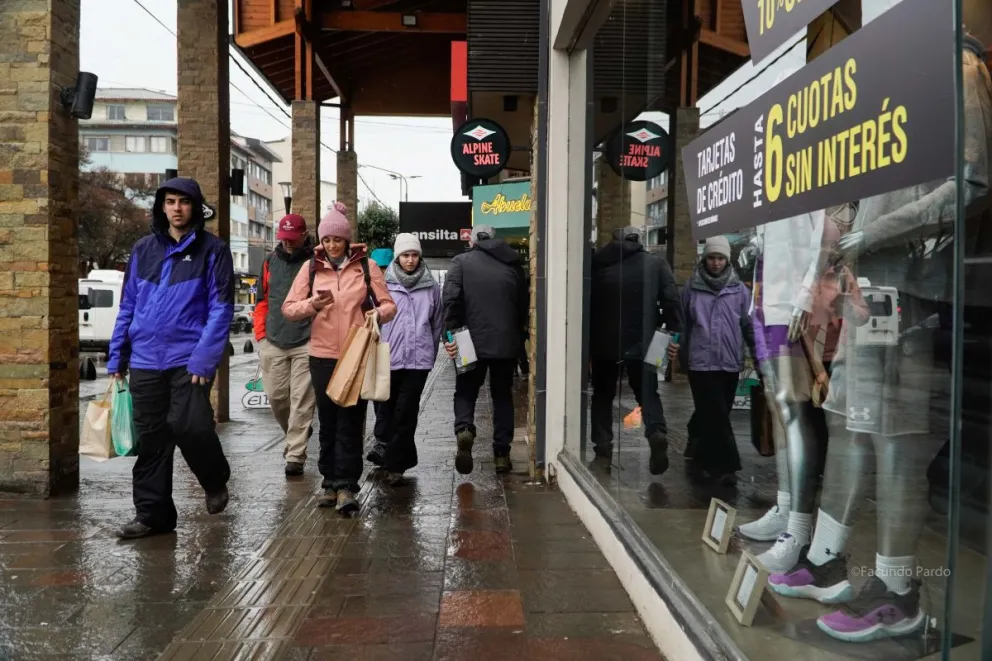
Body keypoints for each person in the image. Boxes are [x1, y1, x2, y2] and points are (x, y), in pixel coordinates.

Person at [107, 177, 234, 540]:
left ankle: (213, 479)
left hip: (188, 359)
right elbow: (128, 305)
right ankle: (152, 515)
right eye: (170, 201)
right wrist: (117, 358)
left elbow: (221, 307)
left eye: (184, 202)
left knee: (190, 425)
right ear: (161, 207)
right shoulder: (143, 249)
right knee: (152, 441)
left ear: (196, 207)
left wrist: (204, 359)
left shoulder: (214, 250)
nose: (177, 208)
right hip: (146, 360)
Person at [282, 203, 396, 514]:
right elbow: (289, 309)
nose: (332, 245)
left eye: (338, 239)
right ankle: (328, 482)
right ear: (321, 240)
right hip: (320, 355)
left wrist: (376, 313)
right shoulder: (310, 268)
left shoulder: (366, 266)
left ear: (347, 240)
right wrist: (312, 305)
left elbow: (389, 305)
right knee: (327, 421)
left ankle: (347, 485)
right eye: (327, 240)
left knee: (351, 420)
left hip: (355, 353)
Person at [588, 227, 682, 475]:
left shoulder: (597, 263)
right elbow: (672, 300)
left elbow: (586, 301)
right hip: (645, 342)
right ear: (640, 242)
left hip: (603, 343)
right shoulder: (656, 264)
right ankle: (656, 432)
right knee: (648, 393)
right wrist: (673, 334)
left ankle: (603, 450)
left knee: (602, 396)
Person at [443, 224, 528, 475]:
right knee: (502, 396)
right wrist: (516, 335)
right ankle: (502, 454)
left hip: (466, 341)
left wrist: (450, 337)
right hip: (505, 342)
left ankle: (465, 429)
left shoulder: (461, 262)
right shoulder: (513, 265)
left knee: (466, 392)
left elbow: (450, 302)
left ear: (473, 241)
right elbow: (522, 306)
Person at [675, 235, 755, 485]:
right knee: (716, 413)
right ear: (704, 258)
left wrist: (759, 356)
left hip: (729, 360)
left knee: (716, 412)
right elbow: (683, 323)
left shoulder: (740, 290)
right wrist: (679, 354)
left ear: (727, 259)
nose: (716, 263)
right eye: (712, 257)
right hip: (699, 361)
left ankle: (699, 449)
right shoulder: (691, 288)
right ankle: (726, 466)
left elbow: (748, 325)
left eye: (720, 258)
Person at [376, 233, 443, 484]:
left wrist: (431, 351)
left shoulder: (431, 286)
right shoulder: (383, 284)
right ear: (397, 257)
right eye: (406, 255)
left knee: (407, 411)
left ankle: (395, 465)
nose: (411, 260)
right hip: (390, 357)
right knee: (390, 409)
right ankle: (398, 458)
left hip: (419, 359)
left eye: (415, 255)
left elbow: (437, 323)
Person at [254, 213, 317, 477]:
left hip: (307, 340)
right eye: (284, 239)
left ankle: (295, 454)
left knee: (301, 400)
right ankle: (297, 431)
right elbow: (261, 300)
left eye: (293, 239)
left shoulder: (316, 263)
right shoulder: (270, 262)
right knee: (277, 398)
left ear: (304, 236)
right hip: (273, 338)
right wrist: (261, 335)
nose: (288, 244)